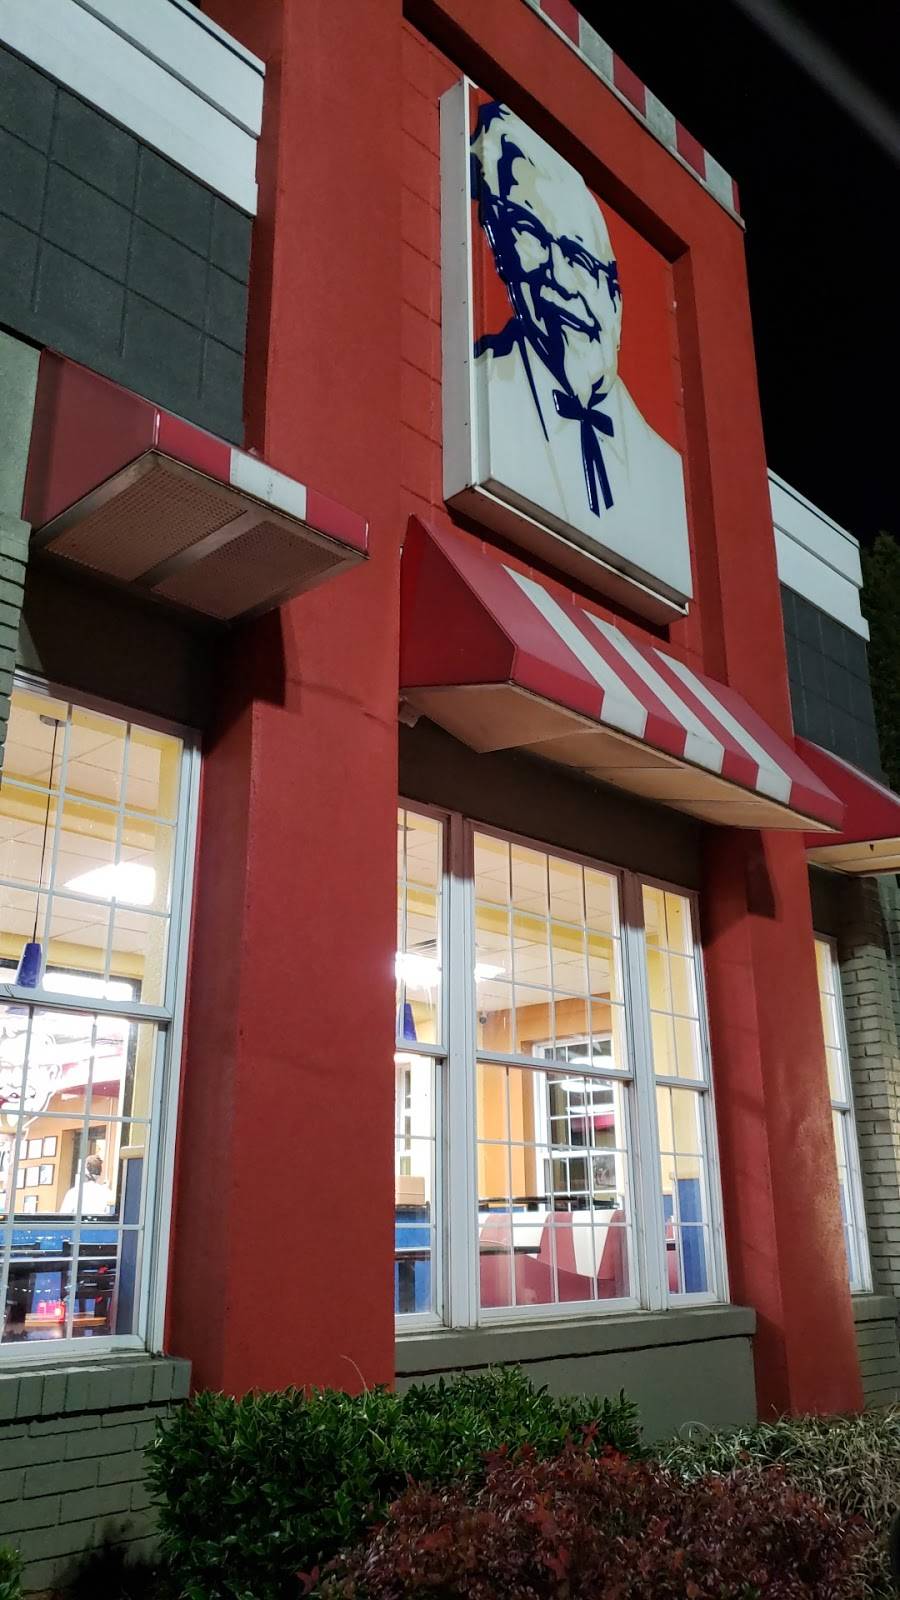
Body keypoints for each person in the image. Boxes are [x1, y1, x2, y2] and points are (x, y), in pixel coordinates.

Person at [469, 101, 690, 589]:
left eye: (578, 258)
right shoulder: (478, 389)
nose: (559, 279)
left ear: (616, 299)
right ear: (499, 251)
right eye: (528, 235)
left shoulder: (663, 469)